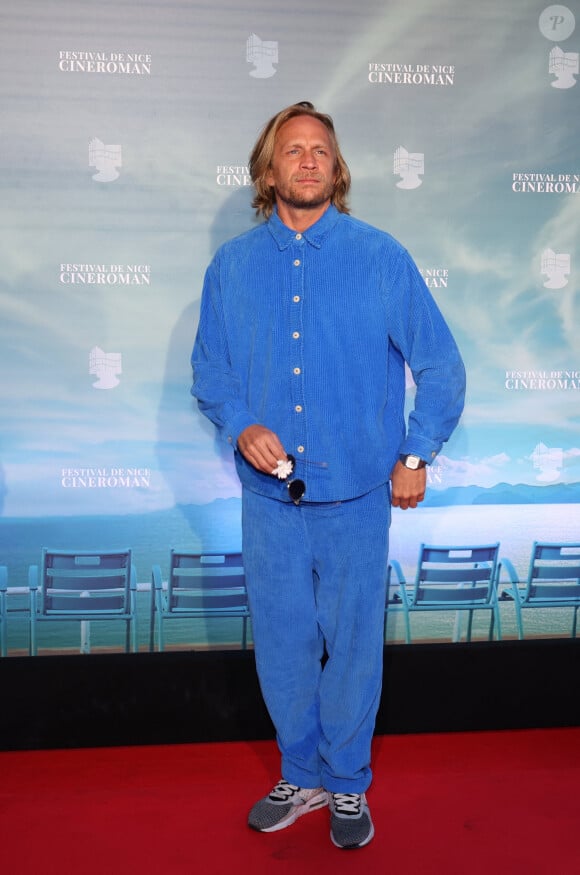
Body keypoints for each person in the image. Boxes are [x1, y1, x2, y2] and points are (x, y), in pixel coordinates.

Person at [191, 101, 465, 850]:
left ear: (336, 171)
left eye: (321, 150)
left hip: (356, 496)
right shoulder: (232, 268)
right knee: (281, 643)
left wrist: (416, 454)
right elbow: (211, 374)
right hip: (268, 501)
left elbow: (440, 366)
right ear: (268, 169)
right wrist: (240, 422)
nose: (307, 161)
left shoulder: (381, 257)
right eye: (293, 150)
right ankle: (301, 773)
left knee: (351, 645)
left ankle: (347, 783)